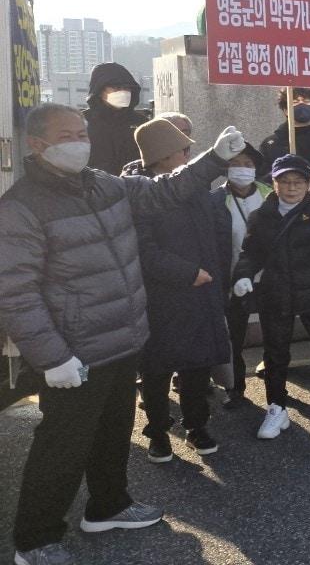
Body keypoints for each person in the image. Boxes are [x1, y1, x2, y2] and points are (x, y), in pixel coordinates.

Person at [0, 103, 246, 563]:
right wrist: (52, 357)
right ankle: (35, 540)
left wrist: (213, 159)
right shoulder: (21, 208)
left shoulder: (103, 185)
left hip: (123, 337)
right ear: (37, 144)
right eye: (67, 134)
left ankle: (109, 505)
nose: (80, 140)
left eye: (82, 131)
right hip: (75, 351)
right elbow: (15, 293)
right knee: (63, 446)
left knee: (113, 431)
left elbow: (162, 191)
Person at [132, 119, 233, 464]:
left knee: (197, 365)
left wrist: (216, 277)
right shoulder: (138, 191)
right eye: (185, 150)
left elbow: (213, 236)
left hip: (202, 290)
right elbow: (143, 251)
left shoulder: (196, 188)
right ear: (161, 157)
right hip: (161, 296)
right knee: (156, 370)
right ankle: (158, 433)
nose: (190, 154)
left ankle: (196, 426)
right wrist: (188, 273)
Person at [233, 154, 310, 439]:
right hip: (276, 290)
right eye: (284, 182)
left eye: (298, 181)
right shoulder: (261, 216)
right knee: (276, 352)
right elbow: (249, 254)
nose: (291, 188)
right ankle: (277, 407)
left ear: (307, 184)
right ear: (274, 184)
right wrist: (242, 276)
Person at [211, 143, 272, 410]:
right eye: (236, 163)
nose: (243, 169)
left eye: (248, 164)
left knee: (274, 329)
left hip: (268, 278)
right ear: (225, 167)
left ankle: (275, 377)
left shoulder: (270, 195)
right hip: (233, 279)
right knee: (234, 335)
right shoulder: (214, 200)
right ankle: (235, 387)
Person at [83, 62, 151, 176]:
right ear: (99, 91)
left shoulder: (141, 123)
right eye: (117, 87)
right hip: (95, 188)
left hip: (135, 187)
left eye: (127, 88)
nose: (123, 92)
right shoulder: (82, 122)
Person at [259, 87, 310, 171]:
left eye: (306, 101)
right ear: (286, 110)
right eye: (295, 102)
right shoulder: (272, 145)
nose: (302, 104)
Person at [120, 111, 192, 176]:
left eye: (185, 133)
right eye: (175, 133)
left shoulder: (187, 177)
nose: (183, 140)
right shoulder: (137, 185)